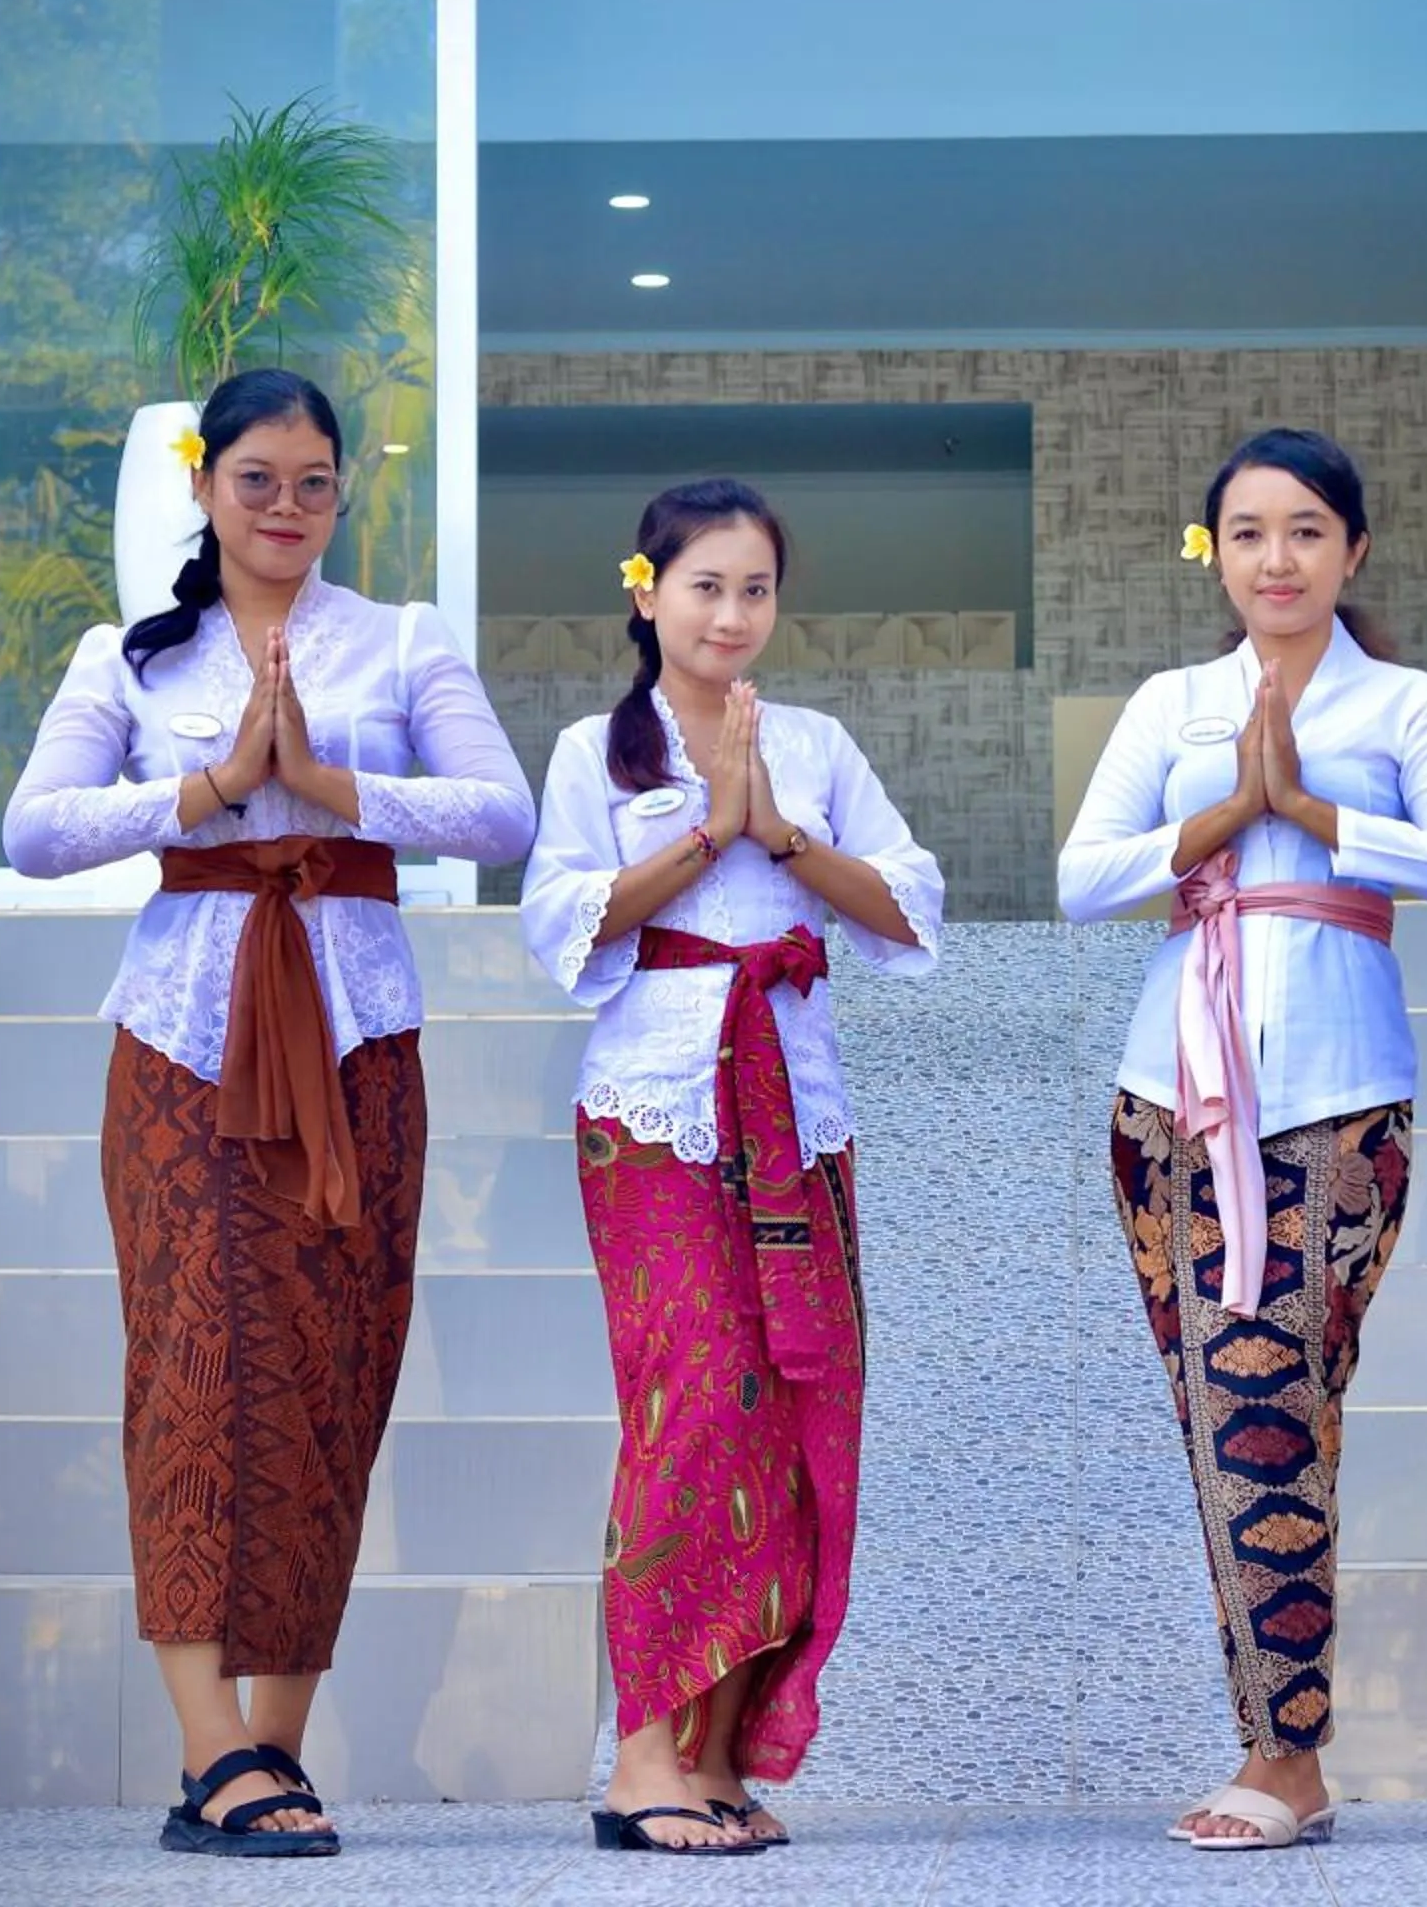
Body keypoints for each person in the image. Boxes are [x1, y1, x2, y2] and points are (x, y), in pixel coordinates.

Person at [3, 368, 536, 1857]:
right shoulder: (128, 656)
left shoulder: (403, 641)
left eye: (314, 482)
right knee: (191, 1367)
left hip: (361, 1041)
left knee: (331, 1371)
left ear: (344, 491)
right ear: (205, 486)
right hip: (181, 1046)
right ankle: (205, 1741)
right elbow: (33, 830)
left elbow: (505, 818)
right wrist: (211, 788)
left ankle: (276, 1752)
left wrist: (327, 783)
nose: (287, 508)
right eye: (257, 480)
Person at [1060, 428, 1427, 1850]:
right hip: (1164, 1104)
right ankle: (1275, 1743)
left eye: (1306, 531)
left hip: (1337, 1109)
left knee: (1272, 1407)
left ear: (1353, 549)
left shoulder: (1406, 705)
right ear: (1216, 554)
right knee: (1223, 1419)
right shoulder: (1177, 701)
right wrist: (1224, 815)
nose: (1277, 559)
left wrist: (1309, 809)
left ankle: (1285, 1753)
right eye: (1247, 533)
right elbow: (1082, 878)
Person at [519, 478, 943, 1856]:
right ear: (646, 591)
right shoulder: (600, 750)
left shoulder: (815, 744)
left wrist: (778, 828)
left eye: (756, 587)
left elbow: (905, 909)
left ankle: (718, 1752)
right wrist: (706, 828)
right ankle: (643, 1755)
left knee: (794, 1424)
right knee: (690, 1409)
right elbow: (562, 933)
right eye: (706, 584)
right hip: (654, 1115)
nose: (732, 612)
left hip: (797, 1116)